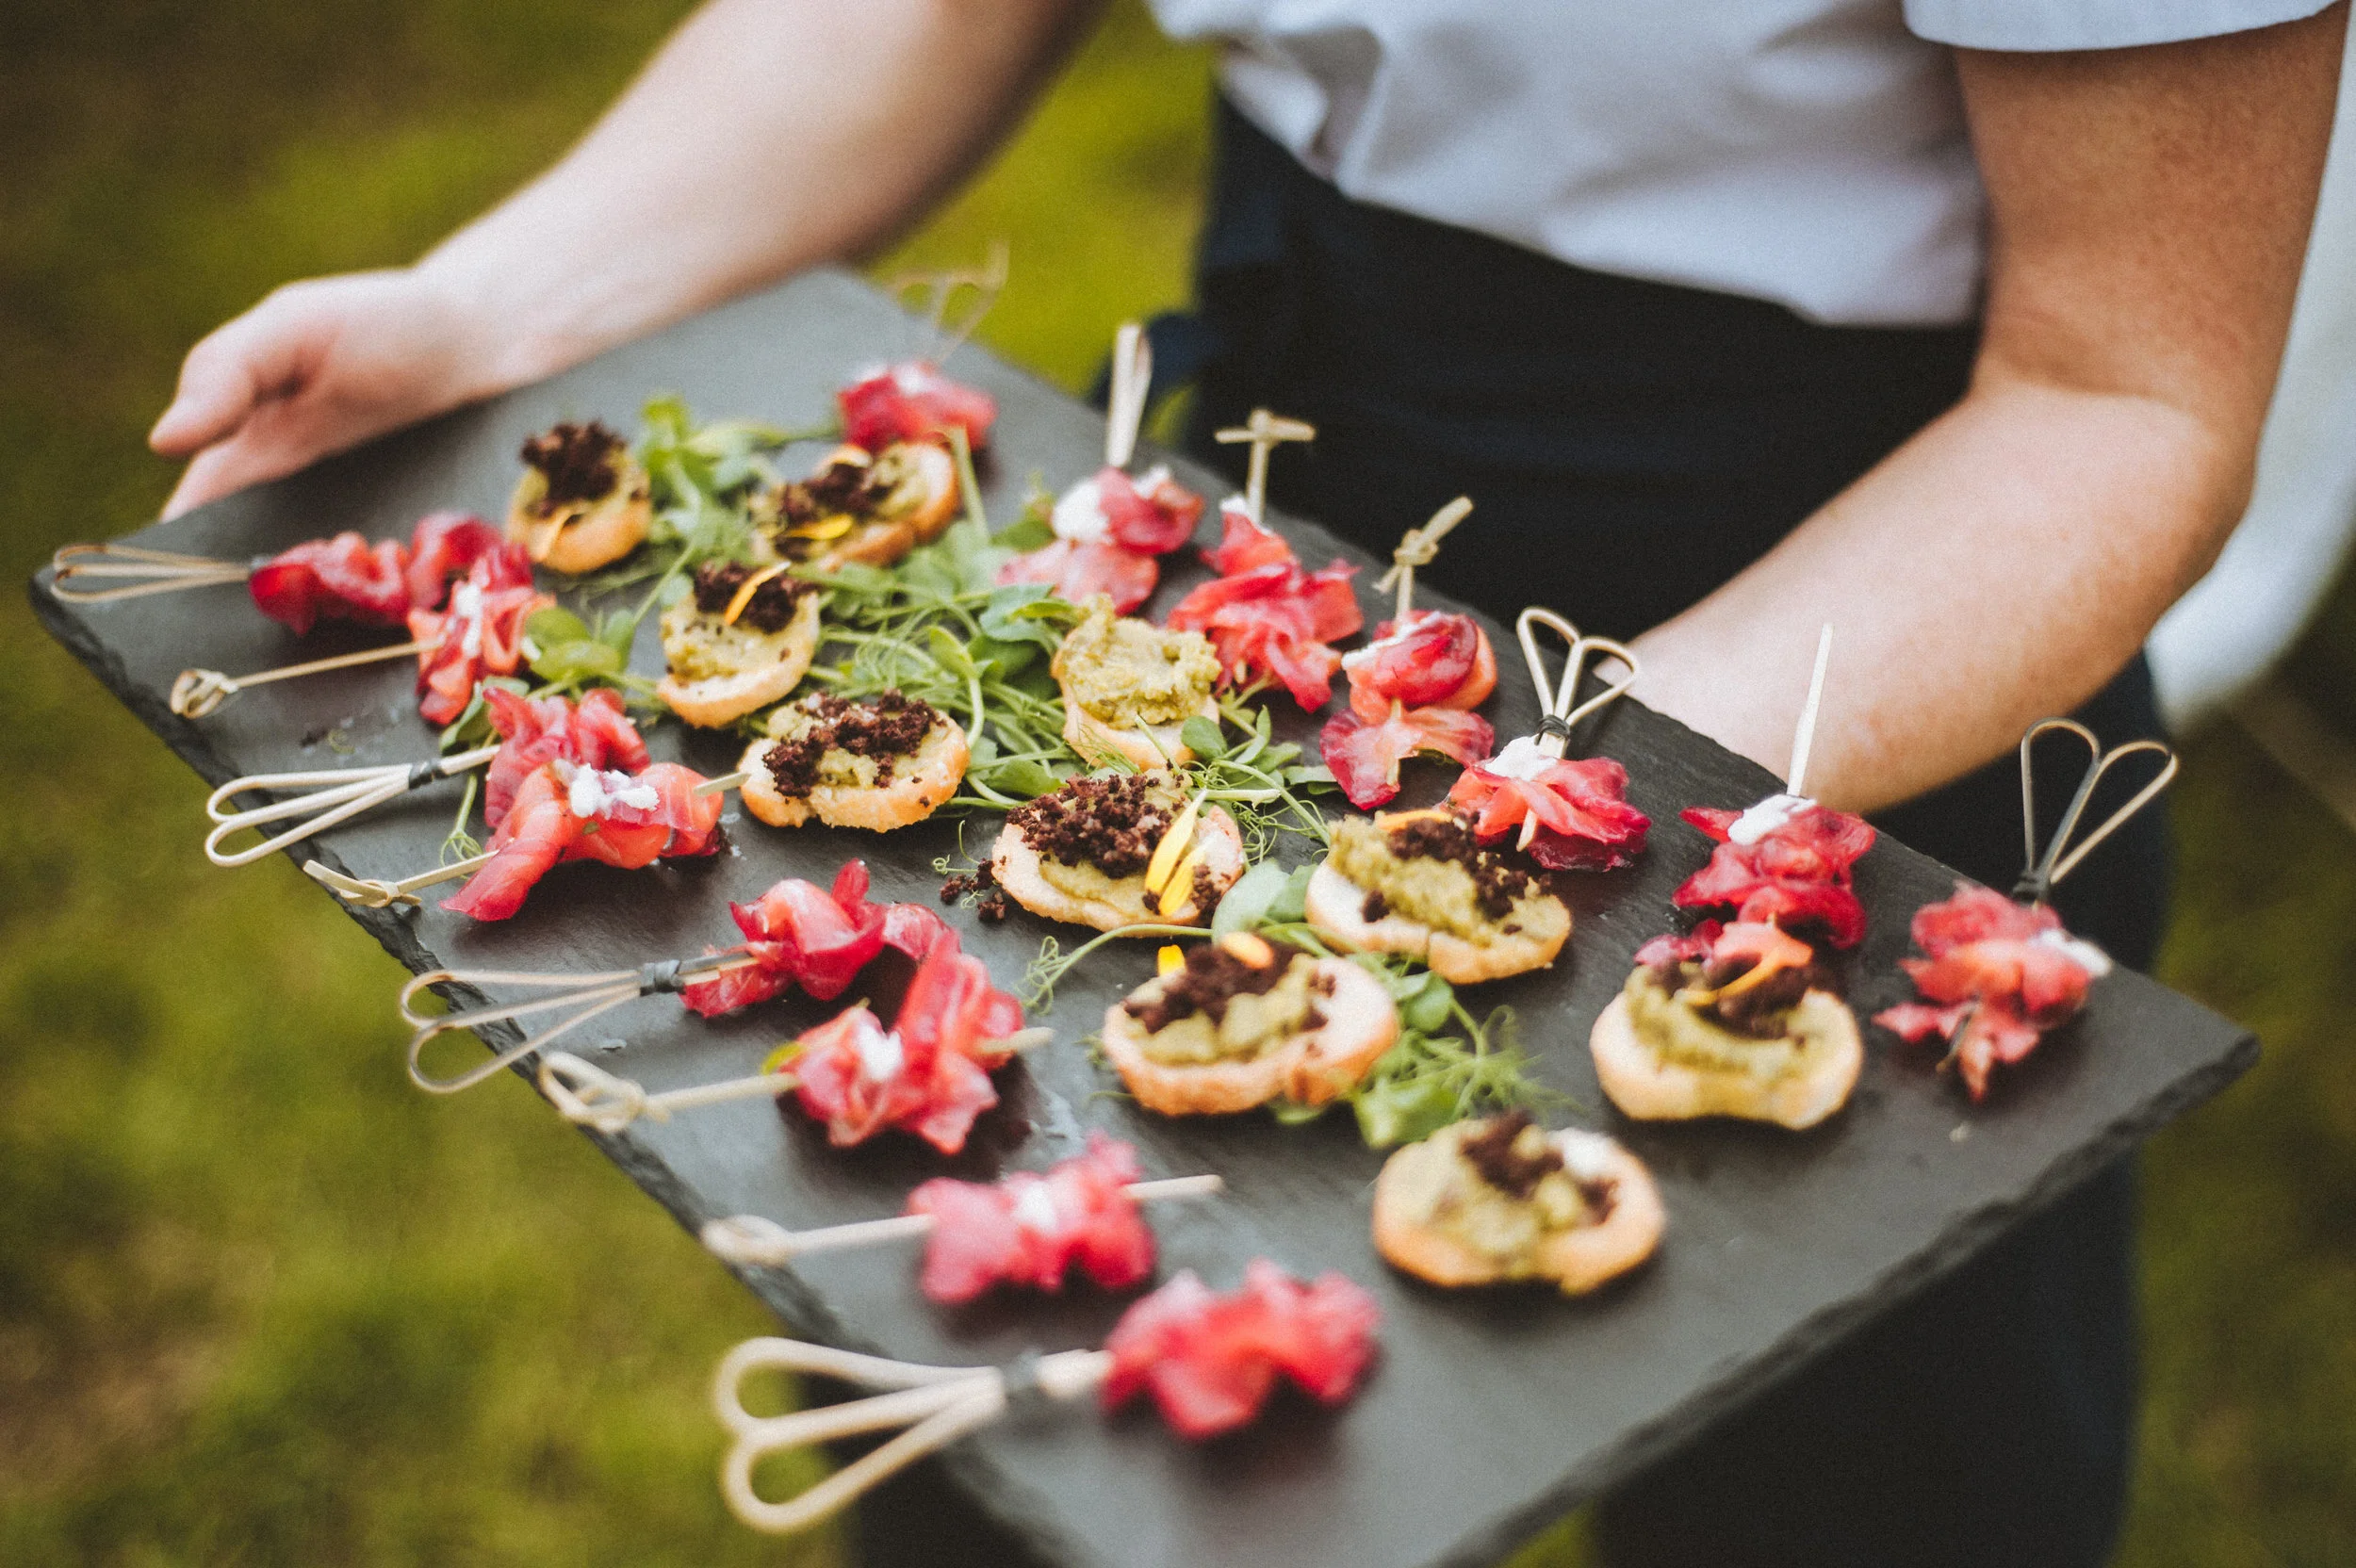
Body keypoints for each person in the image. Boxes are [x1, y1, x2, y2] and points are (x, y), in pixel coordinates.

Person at [147, 3, 2346, 1563]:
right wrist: (499, 300)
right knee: (1068, 1477)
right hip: (1294, 430)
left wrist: (1545, 780)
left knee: (1859, 1492)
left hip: (1873, 572)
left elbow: (2124, 393)